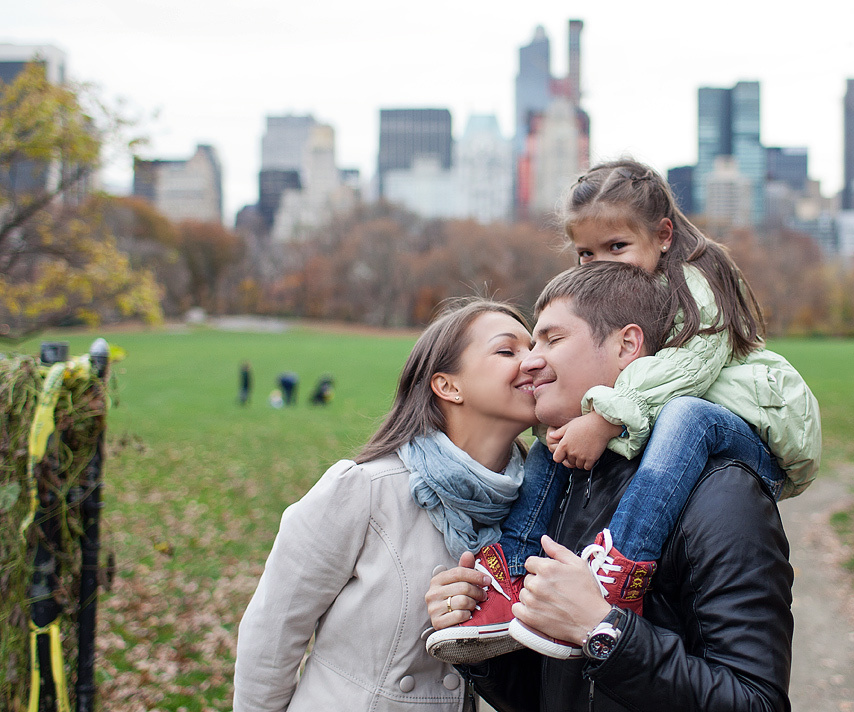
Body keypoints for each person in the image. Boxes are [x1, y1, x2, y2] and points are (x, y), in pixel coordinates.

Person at [428, 158, 819, 661]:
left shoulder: (697, 281)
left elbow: (690, 369)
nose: (604, 262)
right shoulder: (631, 287)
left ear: (662, 235)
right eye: (587, 253)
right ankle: (512, 574)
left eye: (617, 246)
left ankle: (619, 573)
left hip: (753, 430)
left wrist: (606, 416)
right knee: (558, 433)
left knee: (684, 415)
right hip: (681, 415)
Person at [427, 262, 793, 711]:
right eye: (530, 341)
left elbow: (757, 702)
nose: (530, 360)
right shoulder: (561, 482)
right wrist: (479, 639)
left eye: (553, 339)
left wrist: (604, 631)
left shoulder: (720, 494)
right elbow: (541, 697)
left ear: (627, 345)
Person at [233, 299, 539, 712]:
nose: (535, 361)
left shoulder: (542, 506)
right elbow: (272, 636)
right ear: (448, 385)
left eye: (536, 346)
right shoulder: (363, 490)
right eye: (508, 350)